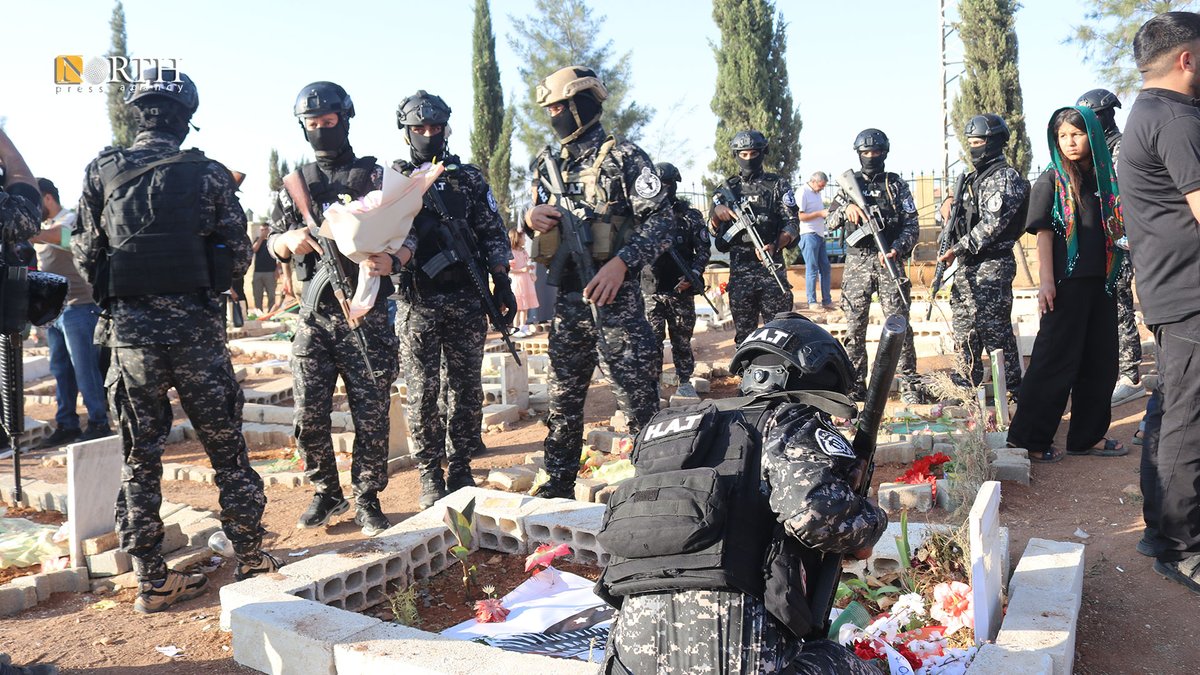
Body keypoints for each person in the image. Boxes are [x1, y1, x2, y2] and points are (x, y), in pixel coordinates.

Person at [73, 68, 280, 613]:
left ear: (135, 114)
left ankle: (151, 579)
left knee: (140, 460)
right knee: (227, 451)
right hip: (196, 336)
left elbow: (85, 252)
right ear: (186, 119)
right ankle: (252, 555)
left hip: (132, 341)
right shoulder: (209, 174)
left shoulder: (103, 170)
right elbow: (237, 253)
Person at [596, 312, 886, 674]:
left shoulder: (666, 431)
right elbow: (819, 518)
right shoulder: (788, 422)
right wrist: (870, 517)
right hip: (733, 653)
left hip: (629, 657)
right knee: (849, 664)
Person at [524, 65, 674, 499]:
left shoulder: (626, 157)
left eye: (557, 107)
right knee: (563, 401)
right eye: (549, 109)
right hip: (569, 302)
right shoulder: (547, 162)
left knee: (637, 400)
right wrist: (529, 218)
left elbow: (663, 221)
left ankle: (655, 487)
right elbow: (537, 213)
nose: (553, 116)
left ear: (580, 103)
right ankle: (558, 483)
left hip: (619, 302)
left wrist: (623, 263)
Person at [268, 81, 402, 534]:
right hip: (313, 315)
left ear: (345, 121)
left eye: (329, 122)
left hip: (365, 313)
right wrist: (285, 241)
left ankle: (366, 496)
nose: (322, 130)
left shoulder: (374, 177)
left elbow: (410, 232)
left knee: (371, 412)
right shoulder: (296, 183)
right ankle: (326, 491)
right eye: (313, 124)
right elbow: (270, 239)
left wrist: (396, 258)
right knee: (308, 414)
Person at [391, 90, 512, 509]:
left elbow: (492, 230)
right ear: (405, 132)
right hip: (418, 300)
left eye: (435, 128)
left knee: (465, 387)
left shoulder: (469, 178)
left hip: (465, 297)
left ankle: (460, 464)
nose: (427, 134)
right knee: (422, 391)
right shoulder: (394, 179)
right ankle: (429, 472)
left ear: (446, 128)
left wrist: (502, 280)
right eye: (418, 129)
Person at [1121, 10, 1200, 595]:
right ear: (1188, 58)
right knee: (1187, 421)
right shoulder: (1176, 118)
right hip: (1191, 292)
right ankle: (1180, 545)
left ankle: (1161, 531)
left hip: (1169, 288)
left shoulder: (1144, 114)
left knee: (1169, 410)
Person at [1005, 105, 1127, 464]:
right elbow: (1043, 235)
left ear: (1092, 134)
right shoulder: (1051, 179)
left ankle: (1086, 436)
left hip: (1102, 281)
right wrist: (1045, 283)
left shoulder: (1106, 179)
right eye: (1063, 136)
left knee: (1100, 360)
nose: (1070, 142)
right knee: (1054, 360)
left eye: (1077, 134)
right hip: (1065, 282)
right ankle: (1029, 438)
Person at [935, 114, 1027, 395]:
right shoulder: (972, 179)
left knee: (994, 331)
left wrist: (957, 248)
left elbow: (992, 226)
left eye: (979, 142)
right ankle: (967, 388)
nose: (973, 147)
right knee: (965, 332)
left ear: (994, 142)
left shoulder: (1004, 178)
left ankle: (1012, 391)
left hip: (992, 264)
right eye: (970, 142)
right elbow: (961, 219)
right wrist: (948, 205)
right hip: (966, 266)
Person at [827, 129, 921, 403]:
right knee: (855, 327)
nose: (870, 157)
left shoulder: (895, 185)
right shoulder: (848, 185)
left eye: (875, 152)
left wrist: (897, 248)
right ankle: (856, 385)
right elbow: (829, 222)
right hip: (857, 264)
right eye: (865, 153)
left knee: (899, 324)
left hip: (888, 260)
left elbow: (911, 225)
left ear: (884, 153)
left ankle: (909, 385)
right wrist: (846, 211)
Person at [1077, 88, 1146, 407]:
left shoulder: (1120, 149)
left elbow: (1122, 201)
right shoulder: (1097, 152)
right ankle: (1114, 369)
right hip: (1099, 241)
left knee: (1120, 306)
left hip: (1121, 241)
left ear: (1104, 116)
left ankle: (1130, 376)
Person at [30, 178, 110, 448]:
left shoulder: (71, 219)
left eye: (35, 200)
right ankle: (67, 424)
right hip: (55, 311)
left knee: (84, 368)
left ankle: (99, 422)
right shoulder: (42, 227)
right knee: (61, 369)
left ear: (48, 198)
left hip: (80, 306)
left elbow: (60, 237)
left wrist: (24, 230)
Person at [709, 130, 798, 345]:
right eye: (744, 154)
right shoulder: (726, 190)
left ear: (762, 153)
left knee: (779, 333)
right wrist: (716, 215)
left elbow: (792, 224)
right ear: (737, 155)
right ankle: (746, 375)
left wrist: (776, 244)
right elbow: (713, 234)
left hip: (771, 269)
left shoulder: (777, 185)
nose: (749, 159)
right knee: (744, 336)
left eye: (754, 153)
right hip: (740, 274)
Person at [646, 162, 711, 399]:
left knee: (682, 339)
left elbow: (703, 250)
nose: (663, 188)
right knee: (651, 341)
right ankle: (654, 384)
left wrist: (693, 274)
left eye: (668, 183)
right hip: (650, 291)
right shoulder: (643, 218)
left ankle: (684, 381)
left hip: (680, 290)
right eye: (658, 184)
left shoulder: (690, 217)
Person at [797, 171, 834, 312]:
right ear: (813, 181)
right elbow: (799, 216)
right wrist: (819, 214)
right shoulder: (803, 192)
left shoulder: (816, 193)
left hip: (820, 234)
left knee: (825, 267)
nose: (822, 189)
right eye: (820, 186)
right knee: (812, 268)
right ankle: (812, 301)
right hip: (808, 234)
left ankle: (827, 300)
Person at [508, 227, 539, 336]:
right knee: (518, 306)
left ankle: (523, 326)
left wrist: (529, 270)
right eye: (523, 238)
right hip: (517, 282)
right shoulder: (511, 253)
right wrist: (521, 270)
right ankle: (515, 328)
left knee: (525, 306)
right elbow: (510, 269)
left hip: (526, 280)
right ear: (517, 238)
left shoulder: (524, 251)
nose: (525, 240)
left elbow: (526, 264)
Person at [250, 222, 277, 314]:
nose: (263, 231)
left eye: (265, 230)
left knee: (271, 295)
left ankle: (270, 313)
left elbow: (278, 256)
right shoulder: (258, 240)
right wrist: (261, 238)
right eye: (261, 230)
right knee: (257, 294)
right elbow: (254, 250)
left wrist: (278, 270)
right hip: (258, 272)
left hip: (270, 272)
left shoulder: (272, 240)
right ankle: (259, 313)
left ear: (268, 230)